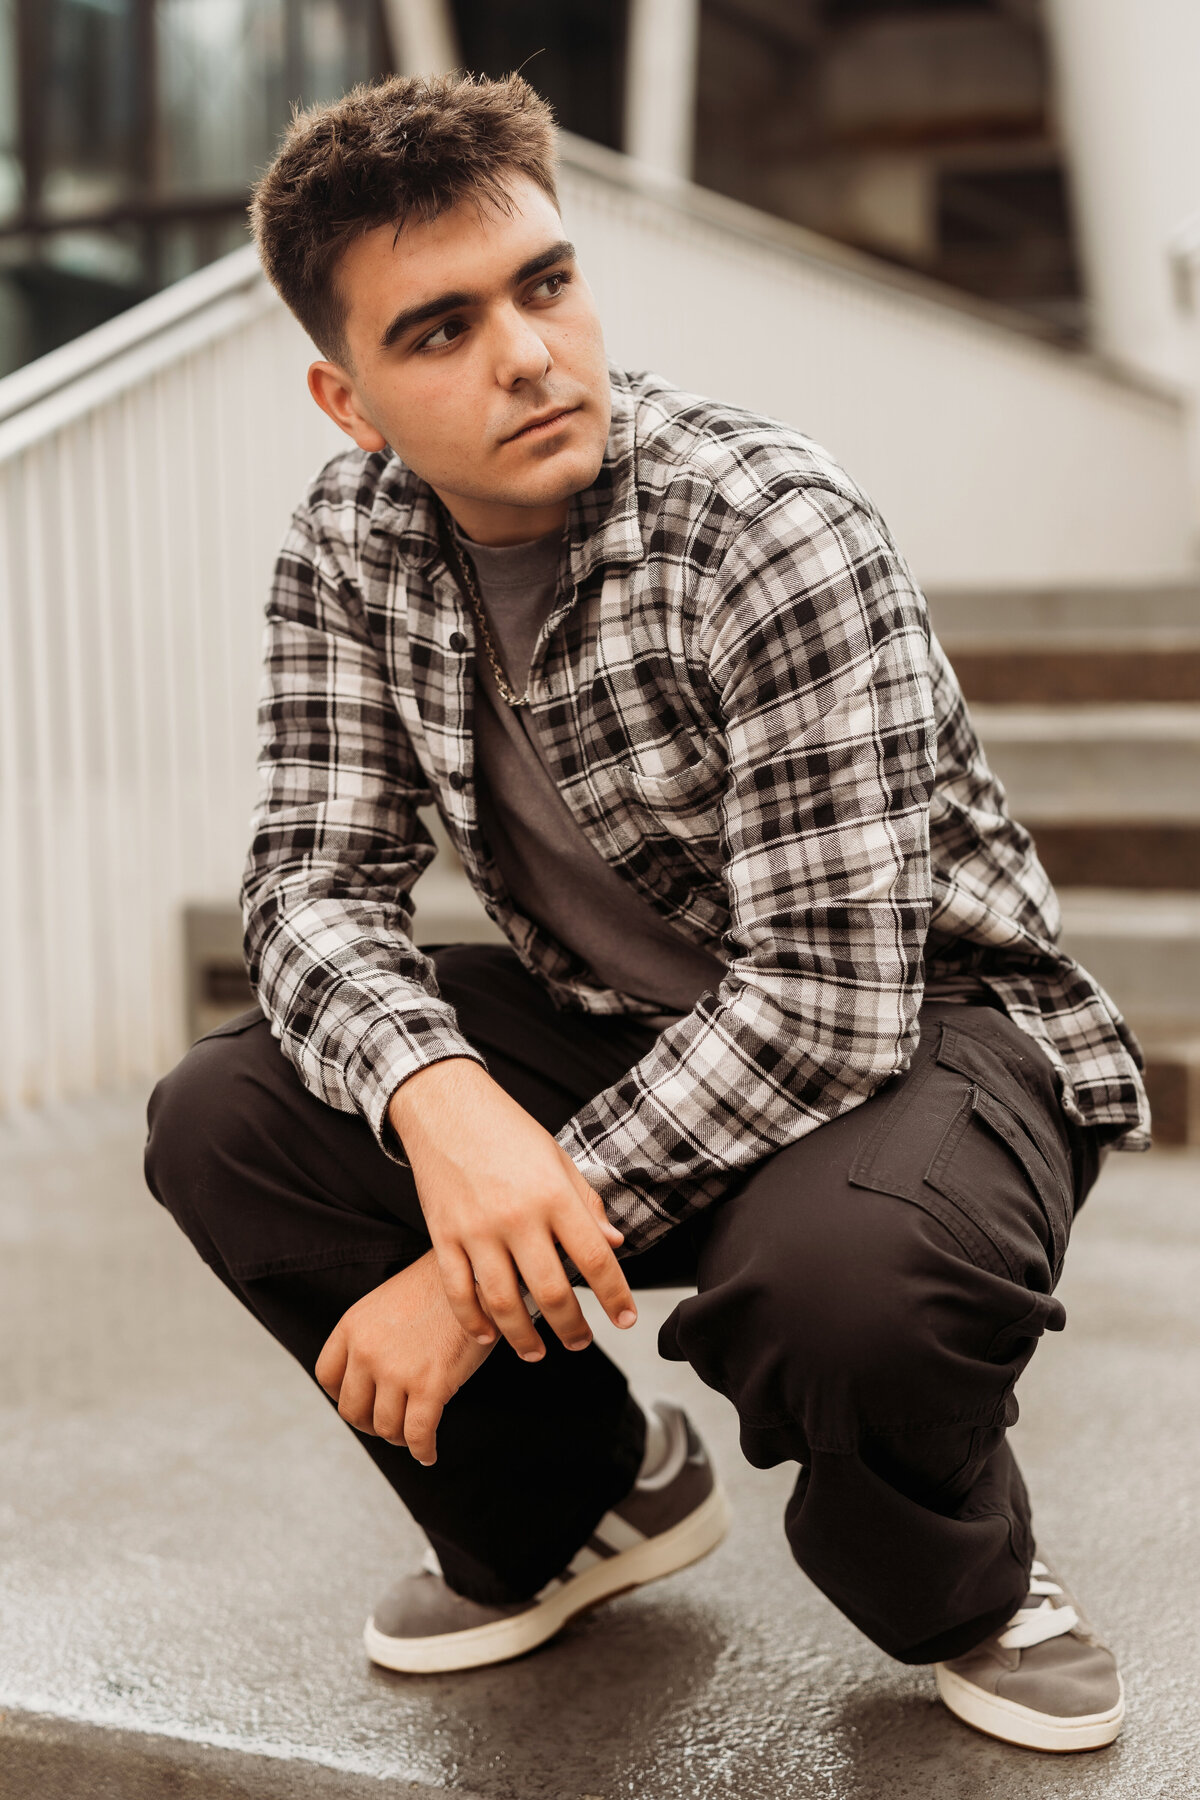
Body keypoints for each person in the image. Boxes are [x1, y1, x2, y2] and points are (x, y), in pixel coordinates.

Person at [144, 71, 1149, 1753]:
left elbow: (835, 999)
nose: (530, 353)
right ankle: (587, 1503)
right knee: (224, 1118)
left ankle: (967, 1583)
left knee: (849, 1289)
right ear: (350, 398)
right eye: (443, 328)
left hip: (928, 1039)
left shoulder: (768, 527)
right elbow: (312, 880)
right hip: (629, 1034)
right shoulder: (350, 545)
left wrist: (470, 1273)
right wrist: (436, 1094)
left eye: (545, 283)